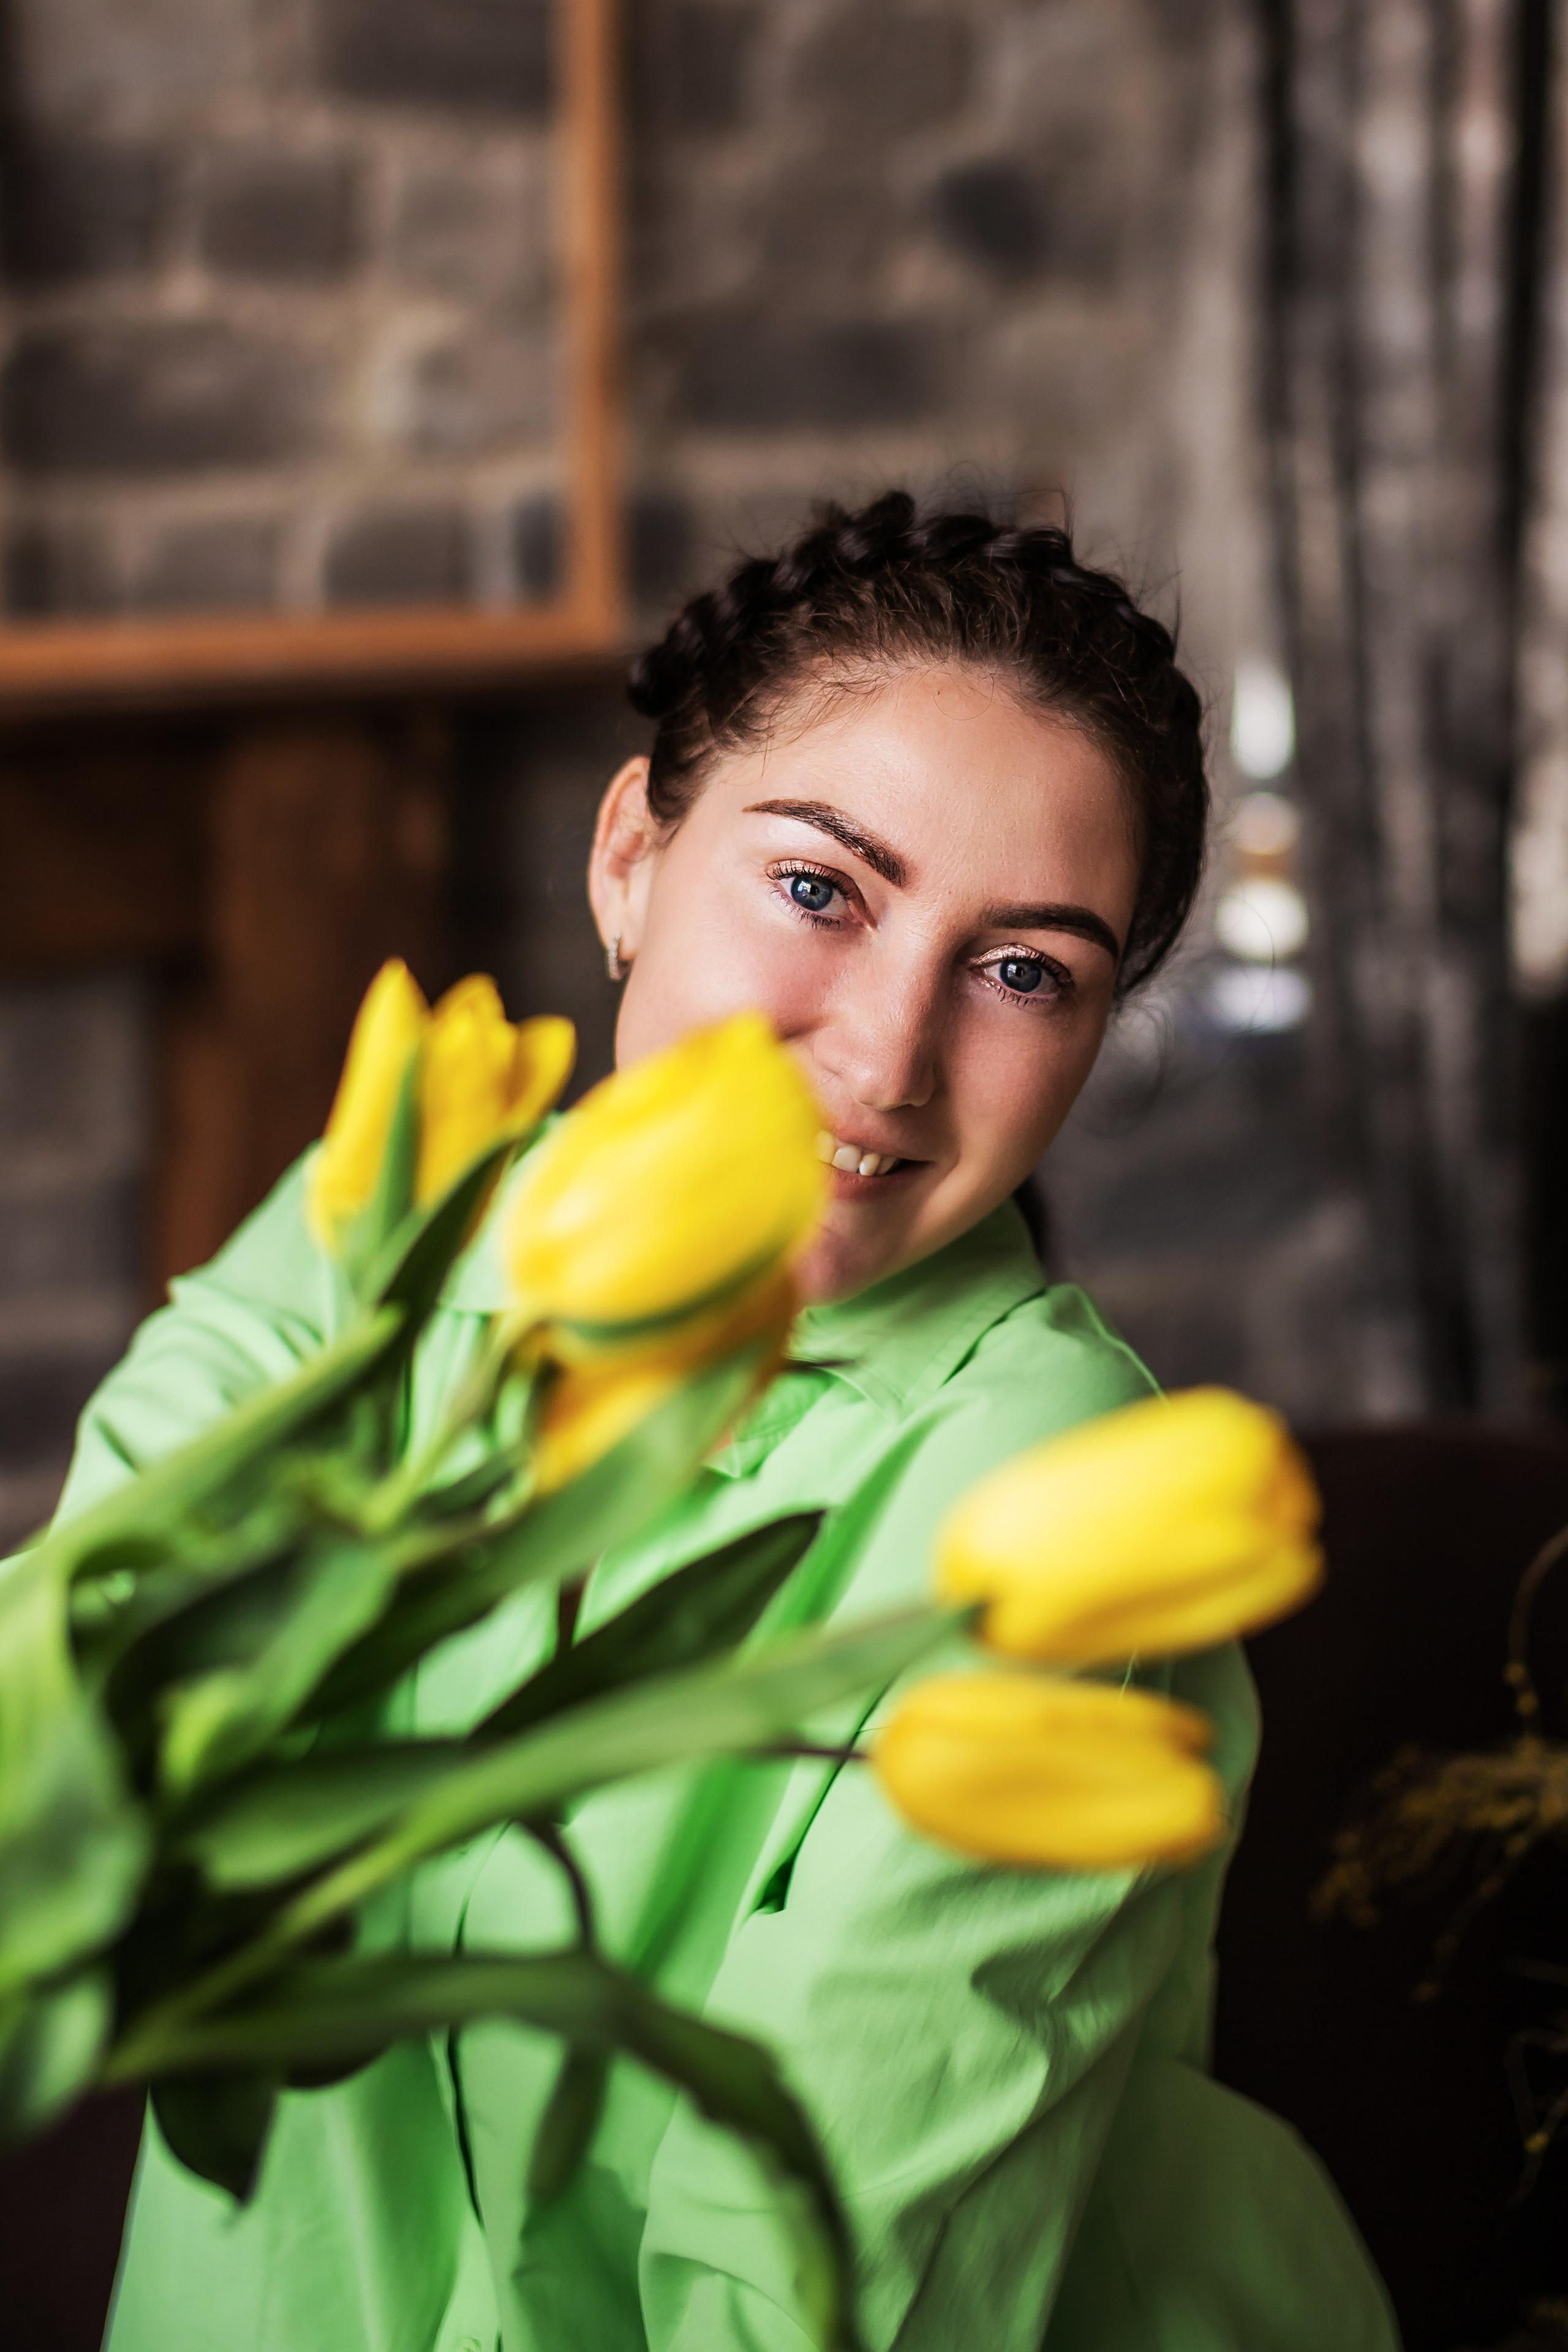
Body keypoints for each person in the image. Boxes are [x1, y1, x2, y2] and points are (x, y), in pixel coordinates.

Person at [81, 495, 1398, 2351]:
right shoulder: (393, 1211)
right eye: (821, 890)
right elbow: (76, 1705)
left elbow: (822, 2279)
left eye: (1023, 971)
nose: (885, 1057)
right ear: (630, 856)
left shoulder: (1047, 1491)